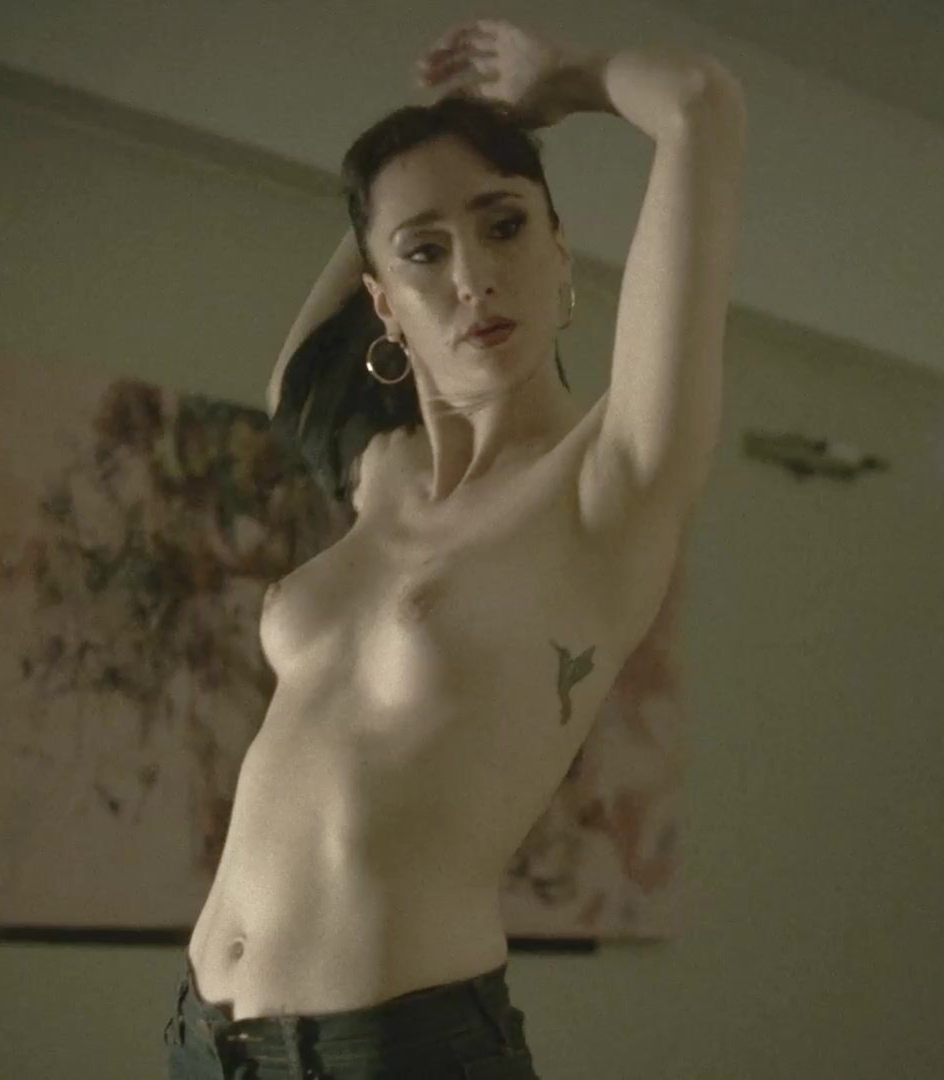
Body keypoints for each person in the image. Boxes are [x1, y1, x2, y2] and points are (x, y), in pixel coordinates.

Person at [162, 18, 746, 1079]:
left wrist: (557, 86)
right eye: (427, 251)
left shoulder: (608, 479)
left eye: (505, 226)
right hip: (206, 1044)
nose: (474, 276)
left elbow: (701, 103)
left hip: (396, 1053)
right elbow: (299, 377)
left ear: (559, 249)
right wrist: (438, 144)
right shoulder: (375, 471)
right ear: (382, 302)